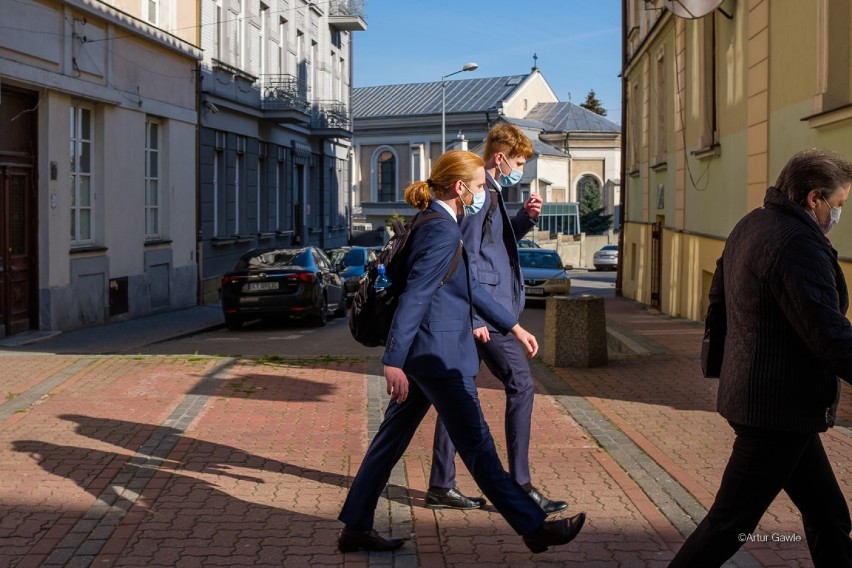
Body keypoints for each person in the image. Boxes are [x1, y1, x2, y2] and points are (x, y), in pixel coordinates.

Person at [337, 150, 586, 554]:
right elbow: (415, 297)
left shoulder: (436, 223)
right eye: (478, 187)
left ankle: (355, 527)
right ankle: (534, 528)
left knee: (390, 440)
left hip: (428, 354)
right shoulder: (440, 231)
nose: (482, 193)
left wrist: (514, 325)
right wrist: (392, 361)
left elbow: (466, 288)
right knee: (479, 448)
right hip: (439, 358)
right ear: (459, 187)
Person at [669, 148, 852, 568]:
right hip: (777, 408)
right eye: (838, 204)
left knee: (828, 516)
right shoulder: (796, 242)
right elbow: (827, 331)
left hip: (768, 399)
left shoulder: (753, 223)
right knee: (730, 524)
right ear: (814, 198)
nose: (838, 214)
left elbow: (718, 300)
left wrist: (728, 362)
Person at [426, 123, 568, 515]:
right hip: (487, 313)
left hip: (486, 310)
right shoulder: (479, 191)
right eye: (520, 161)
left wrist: (524, 219)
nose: (521, 168)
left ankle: (441, 483)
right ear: (501, 157)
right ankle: (519, 485)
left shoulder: (490, 192)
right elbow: (464, 256)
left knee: (459, 397)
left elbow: (492, 247)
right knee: (521, 384)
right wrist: (474, 315)